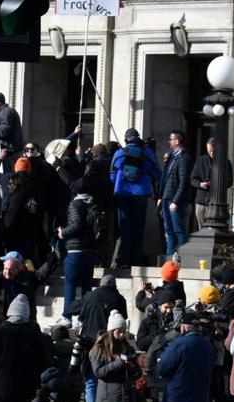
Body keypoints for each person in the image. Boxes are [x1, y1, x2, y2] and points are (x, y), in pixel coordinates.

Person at [76, 274, 127, 402]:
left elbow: (81, 318)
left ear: (101, 284)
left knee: (91, 384)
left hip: (91, 344)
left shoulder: (90, 296)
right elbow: (122, 319)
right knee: (107, 382)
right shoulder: (119, 299)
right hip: (112, 345)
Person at [109, 128, 161, 267]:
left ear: (126, 139)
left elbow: (112, 175)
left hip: (123, 193)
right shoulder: (147, 153)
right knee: (139, 227)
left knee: (125, 227)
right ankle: (136, 259)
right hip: (141, 194)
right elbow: (157, 175)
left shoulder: (119, 153)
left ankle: (125, 260)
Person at [58, 178, 100, 325]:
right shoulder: (93, 203)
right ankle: (83, 318)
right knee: (86, 286)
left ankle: (67, 317)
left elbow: (76, 225)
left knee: (70, 284)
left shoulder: (75, 204)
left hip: (75, 251)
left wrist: (63, 232)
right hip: (90, 250)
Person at [158, 130, 192, 255]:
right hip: (167, 198)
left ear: (177, 141)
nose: (169, 141)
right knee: (169, 230)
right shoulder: (172, 157)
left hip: (175, 200)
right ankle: (170, 259)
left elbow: (183, 182)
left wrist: (176, 201)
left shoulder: (184, 158)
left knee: (179, 230)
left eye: (171, 139)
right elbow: (165, 177)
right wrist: (160, 196)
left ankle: (180, 259)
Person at [189, 137, 230, 230]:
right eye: (209, 151)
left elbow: (229, 180)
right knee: (201, 228)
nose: (211, 153)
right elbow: (193, 179)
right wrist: (200, 184)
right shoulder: (201, 161)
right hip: (201, 200)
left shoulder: (225, 162)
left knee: (213, 229)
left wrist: (214, 184)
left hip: (216, 201)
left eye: (213, 150)